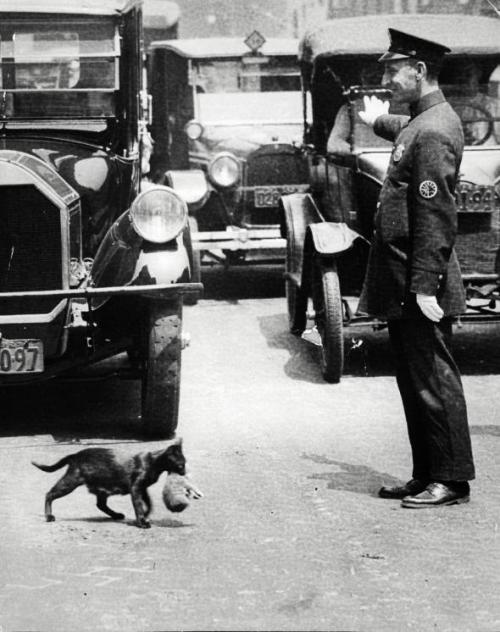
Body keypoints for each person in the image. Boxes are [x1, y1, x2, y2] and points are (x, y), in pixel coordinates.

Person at [357, 29, 475, 508]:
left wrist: (425, 287)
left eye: (392, 70)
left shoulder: (433, 130)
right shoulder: (421, 122)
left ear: (419, 71)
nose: (386, 78)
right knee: (414, 380)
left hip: (419, 281)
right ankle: (427, 473)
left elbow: (436, 216)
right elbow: (402, 129)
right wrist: (375, 119)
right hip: (405, 279)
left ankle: (451, 479)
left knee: (433, 380)